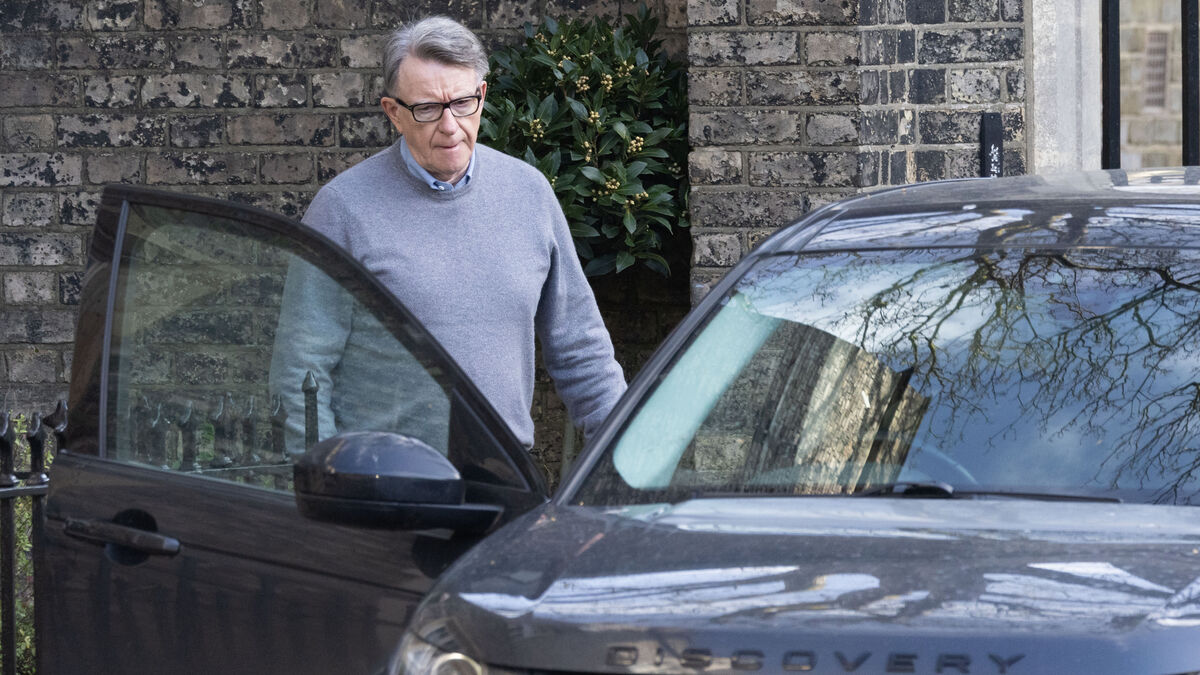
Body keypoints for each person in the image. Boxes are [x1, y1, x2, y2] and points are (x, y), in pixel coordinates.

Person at [268, 15, 626, 454]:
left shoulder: (529, 193)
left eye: (462, 103)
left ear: (482, 96)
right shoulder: (343, 209)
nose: (451, 125)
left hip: (504, 473)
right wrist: (328, 476)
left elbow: (581, 350)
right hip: (383, 475)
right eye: (427, 109)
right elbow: (302, 371)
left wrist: (626, 458)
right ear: (394, 113)